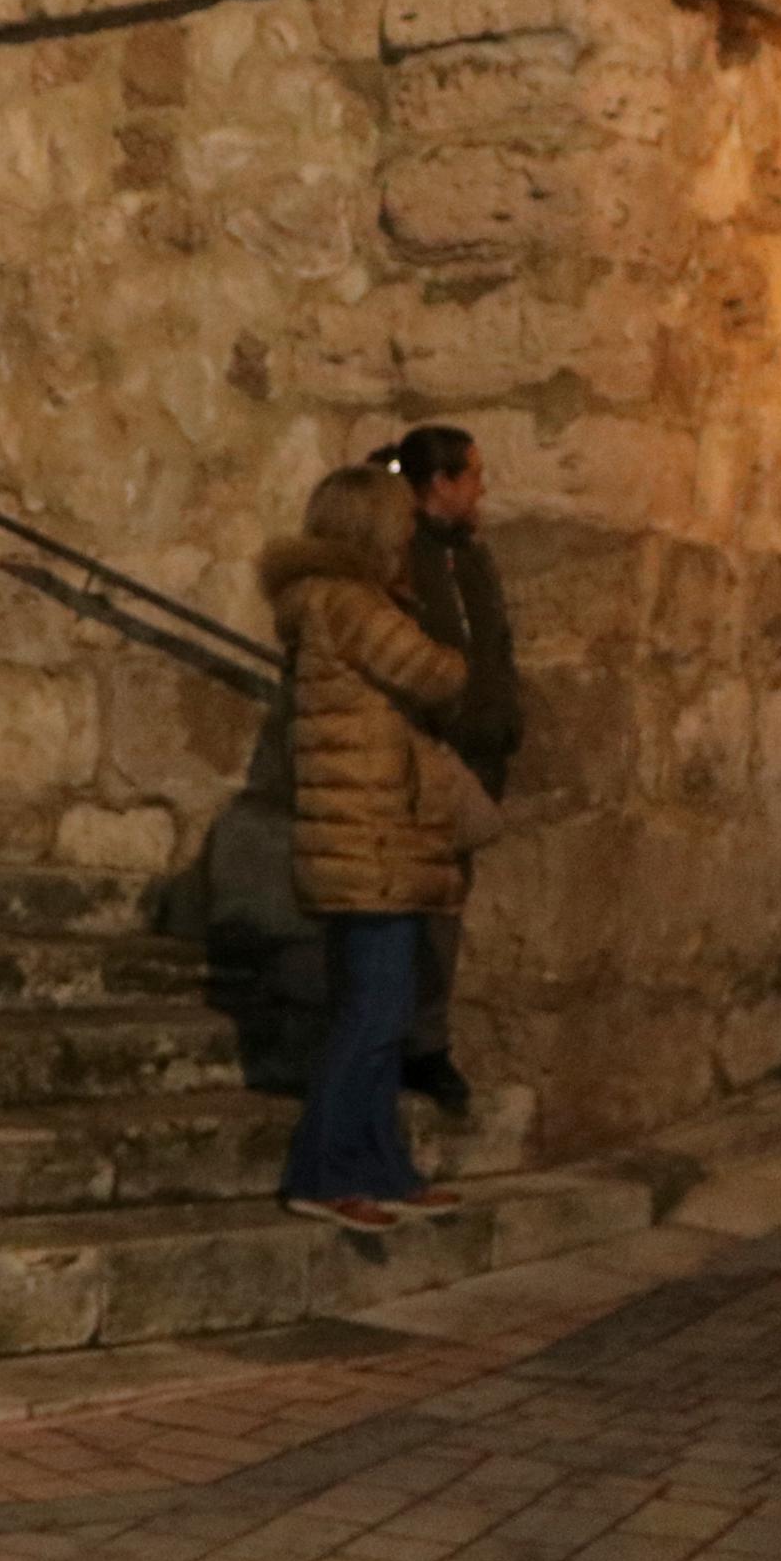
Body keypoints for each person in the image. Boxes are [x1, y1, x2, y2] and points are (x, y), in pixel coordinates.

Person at [264, 465, 472, 1232]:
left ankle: (380, 1166)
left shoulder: (323, 602)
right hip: (368, 837)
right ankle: (319, 1170)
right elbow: (436, 670)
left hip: (369, 835)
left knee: (380, 1009)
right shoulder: (350, 603)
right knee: (373, 1012)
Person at [372, 425, 518, 1113]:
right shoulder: (401, 557)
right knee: (407, 908)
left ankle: (424, 1040)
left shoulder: (472, 559)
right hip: (424, 758)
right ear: (440, 484)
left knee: (445, 909)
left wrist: (503, 720)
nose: (481, 489)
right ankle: (401, 1046)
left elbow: (493, 647)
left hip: (474, 764)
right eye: (474, 475)